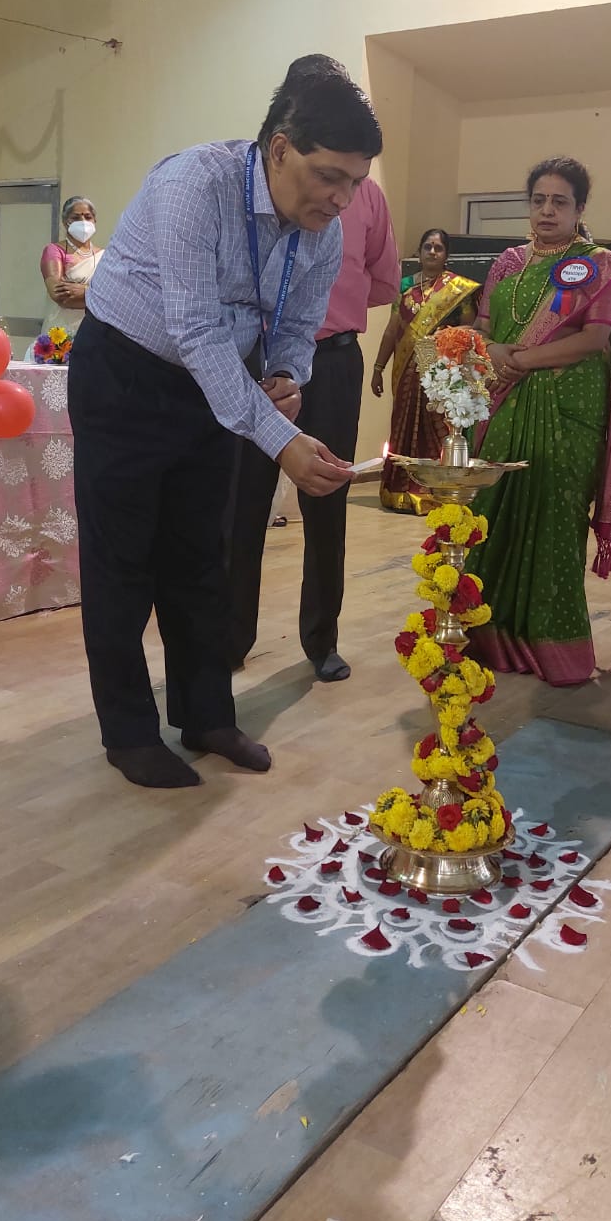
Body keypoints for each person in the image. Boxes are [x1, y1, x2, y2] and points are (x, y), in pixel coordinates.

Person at [68, 59, 382, 789]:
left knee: (202, 557)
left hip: (216, 384)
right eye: (329, 176)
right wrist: (280, 441)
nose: (341, 198)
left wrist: (287, 376)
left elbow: (300, 324)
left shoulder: (323, 229)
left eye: (355, 182)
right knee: (122, 561)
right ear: (280, 147)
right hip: (126, 374)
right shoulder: (194, 185)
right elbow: (196, 329)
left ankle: (206, 716)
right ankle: (129, 733)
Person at [469, 157, 611, 686]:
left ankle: (556, 650)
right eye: (538, 200)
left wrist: (519, 359)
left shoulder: (597, 266)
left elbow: (594, 339)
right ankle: (485, 637)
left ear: (579, 208)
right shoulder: (507, 264)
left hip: (568, 412)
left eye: (559, 201)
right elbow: (481, 328)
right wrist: (493, 350)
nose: (547, 210)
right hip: (505, 407)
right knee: (491, 518)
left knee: (555, 526)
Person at [226, 152, 400, 682]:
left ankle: (322, 640)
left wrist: (329, 303)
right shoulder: (267, 188)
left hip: (333, 361)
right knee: (242, 503)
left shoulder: (367, 198)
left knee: (328, 499)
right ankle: (229, 640)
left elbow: (385, 282)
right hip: (257, 362)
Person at [374, 228, 480, 514]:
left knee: (437, 426)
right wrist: (378, 367)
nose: (432, 252)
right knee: (404, 424)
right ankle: (398, 488)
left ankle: (438, 490)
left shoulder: (458, 289)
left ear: (446, 255)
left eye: (438, 248)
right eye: (427, 247)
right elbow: (392, 330)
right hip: (407, 371)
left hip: (442, 370)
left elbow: (473, 328)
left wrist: (444, 336)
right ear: (419, 252)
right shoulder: (405, 288)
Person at [37, 197, 105, 340]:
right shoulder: (54, 250)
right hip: (60, 334)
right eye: (76, 217)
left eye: (88, 217)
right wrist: (97, 295)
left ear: (95, 220)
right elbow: (60, 296)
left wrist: (84, 290)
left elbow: (112, 296)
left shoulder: (103, 255)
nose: (83, 222)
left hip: (94, 331)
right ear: (65, 221)